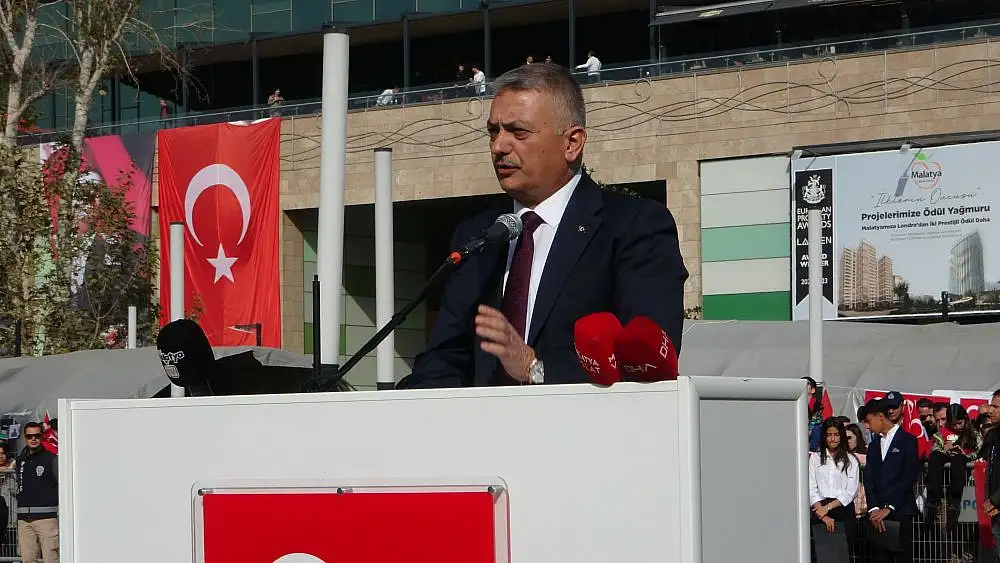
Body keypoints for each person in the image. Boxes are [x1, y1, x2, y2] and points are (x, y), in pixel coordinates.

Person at [403, 63, 688, 388]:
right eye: (493, 131)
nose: (498, 147)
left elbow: (647, 361)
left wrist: (535, 368)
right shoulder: (478, 237)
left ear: (572, 143)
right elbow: (444, 360)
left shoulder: (634, 226)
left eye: (518, 132)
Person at [863, 399, 919, 563]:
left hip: (900, 510)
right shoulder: (873, 446)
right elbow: (869, 479)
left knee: (902, 557)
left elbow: (908, 477)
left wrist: (889, 507)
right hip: (877, 515)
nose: (867, 426)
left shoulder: (908, 440)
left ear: (880, 416)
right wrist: (874, 509)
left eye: (869, 420)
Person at [809, 418, 859, 563]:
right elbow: (811, 488)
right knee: (822, 556)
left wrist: (828, 508)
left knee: (841, 556)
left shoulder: (850, 459)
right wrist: (823, 514)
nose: (832, 439)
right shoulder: (815, 458)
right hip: (819, 510)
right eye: (829, 435)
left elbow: (850, 492)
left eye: (836, 435)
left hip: (842, 510)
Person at [15, 422, 59, 563]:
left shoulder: (52, 458)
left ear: (42, 436)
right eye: (29, 436)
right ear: (25, 437)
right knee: (27, 559)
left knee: (51, 559)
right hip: (24, 520)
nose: (33, 439)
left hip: (47, 519)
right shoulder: (20, 460)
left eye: (37, 435)